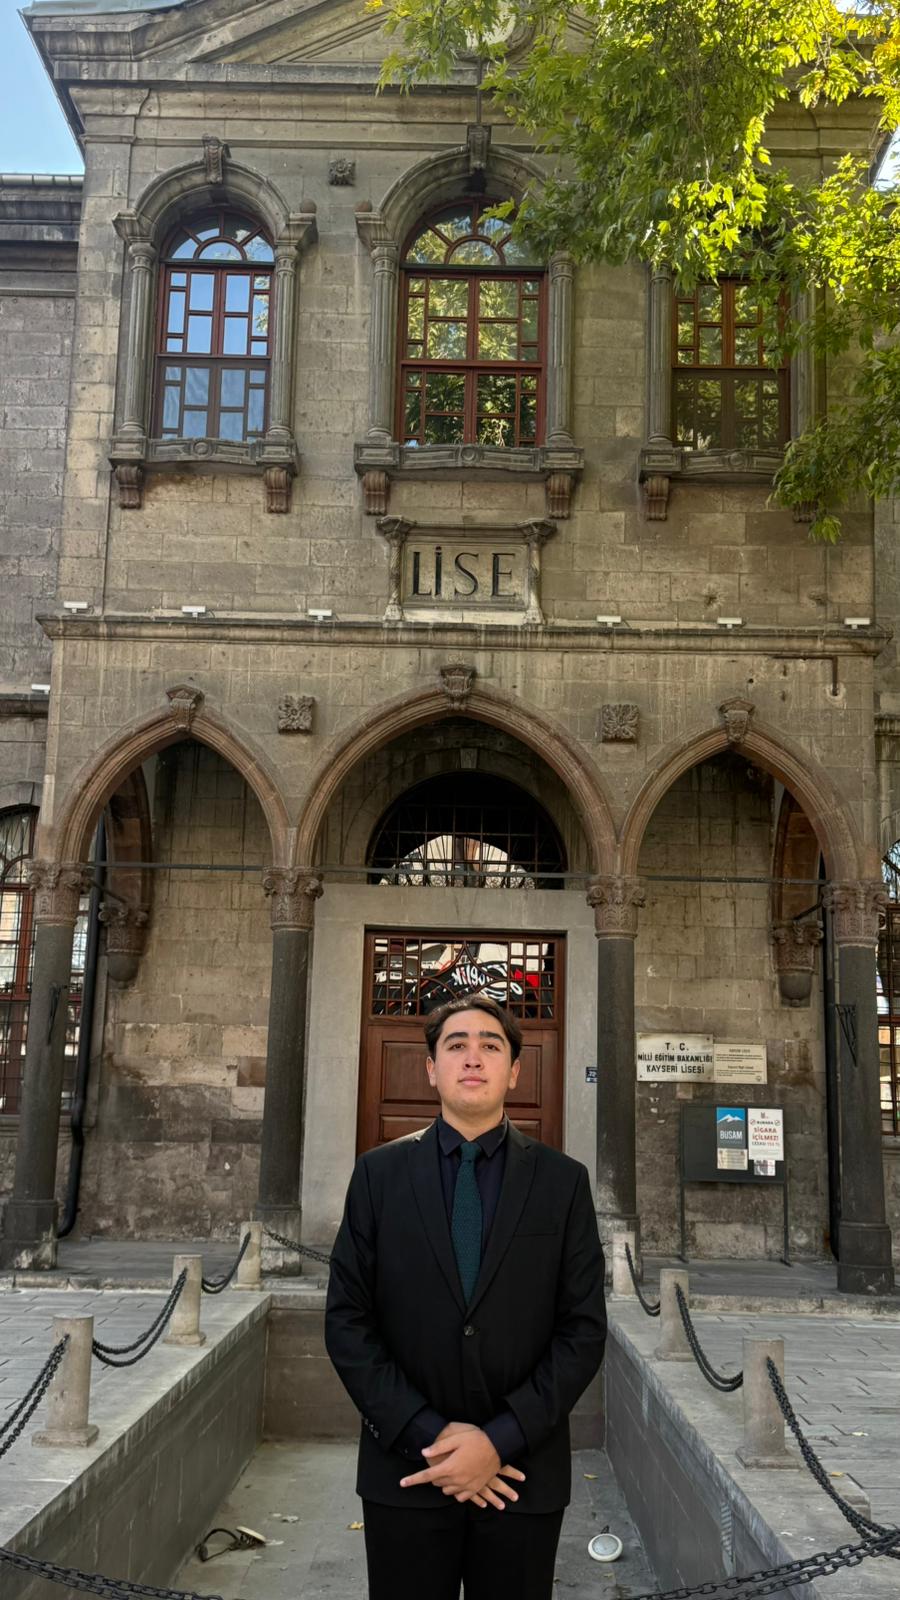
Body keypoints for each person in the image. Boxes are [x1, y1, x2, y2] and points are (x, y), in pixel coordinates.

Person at [324, 990, 607, 1600]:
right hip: (407, 1469)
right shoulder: (377, 1176)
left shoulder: (563, 1183)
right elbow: (348, 1321)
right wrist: (428, 1436)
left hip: (520, 1476)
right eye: (456, 1045)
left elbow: (582, 1330)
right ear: (431, 1069)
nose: (473, 1057)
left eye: (490, 1046)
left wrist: (498, 1440)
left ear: (515, 1071)